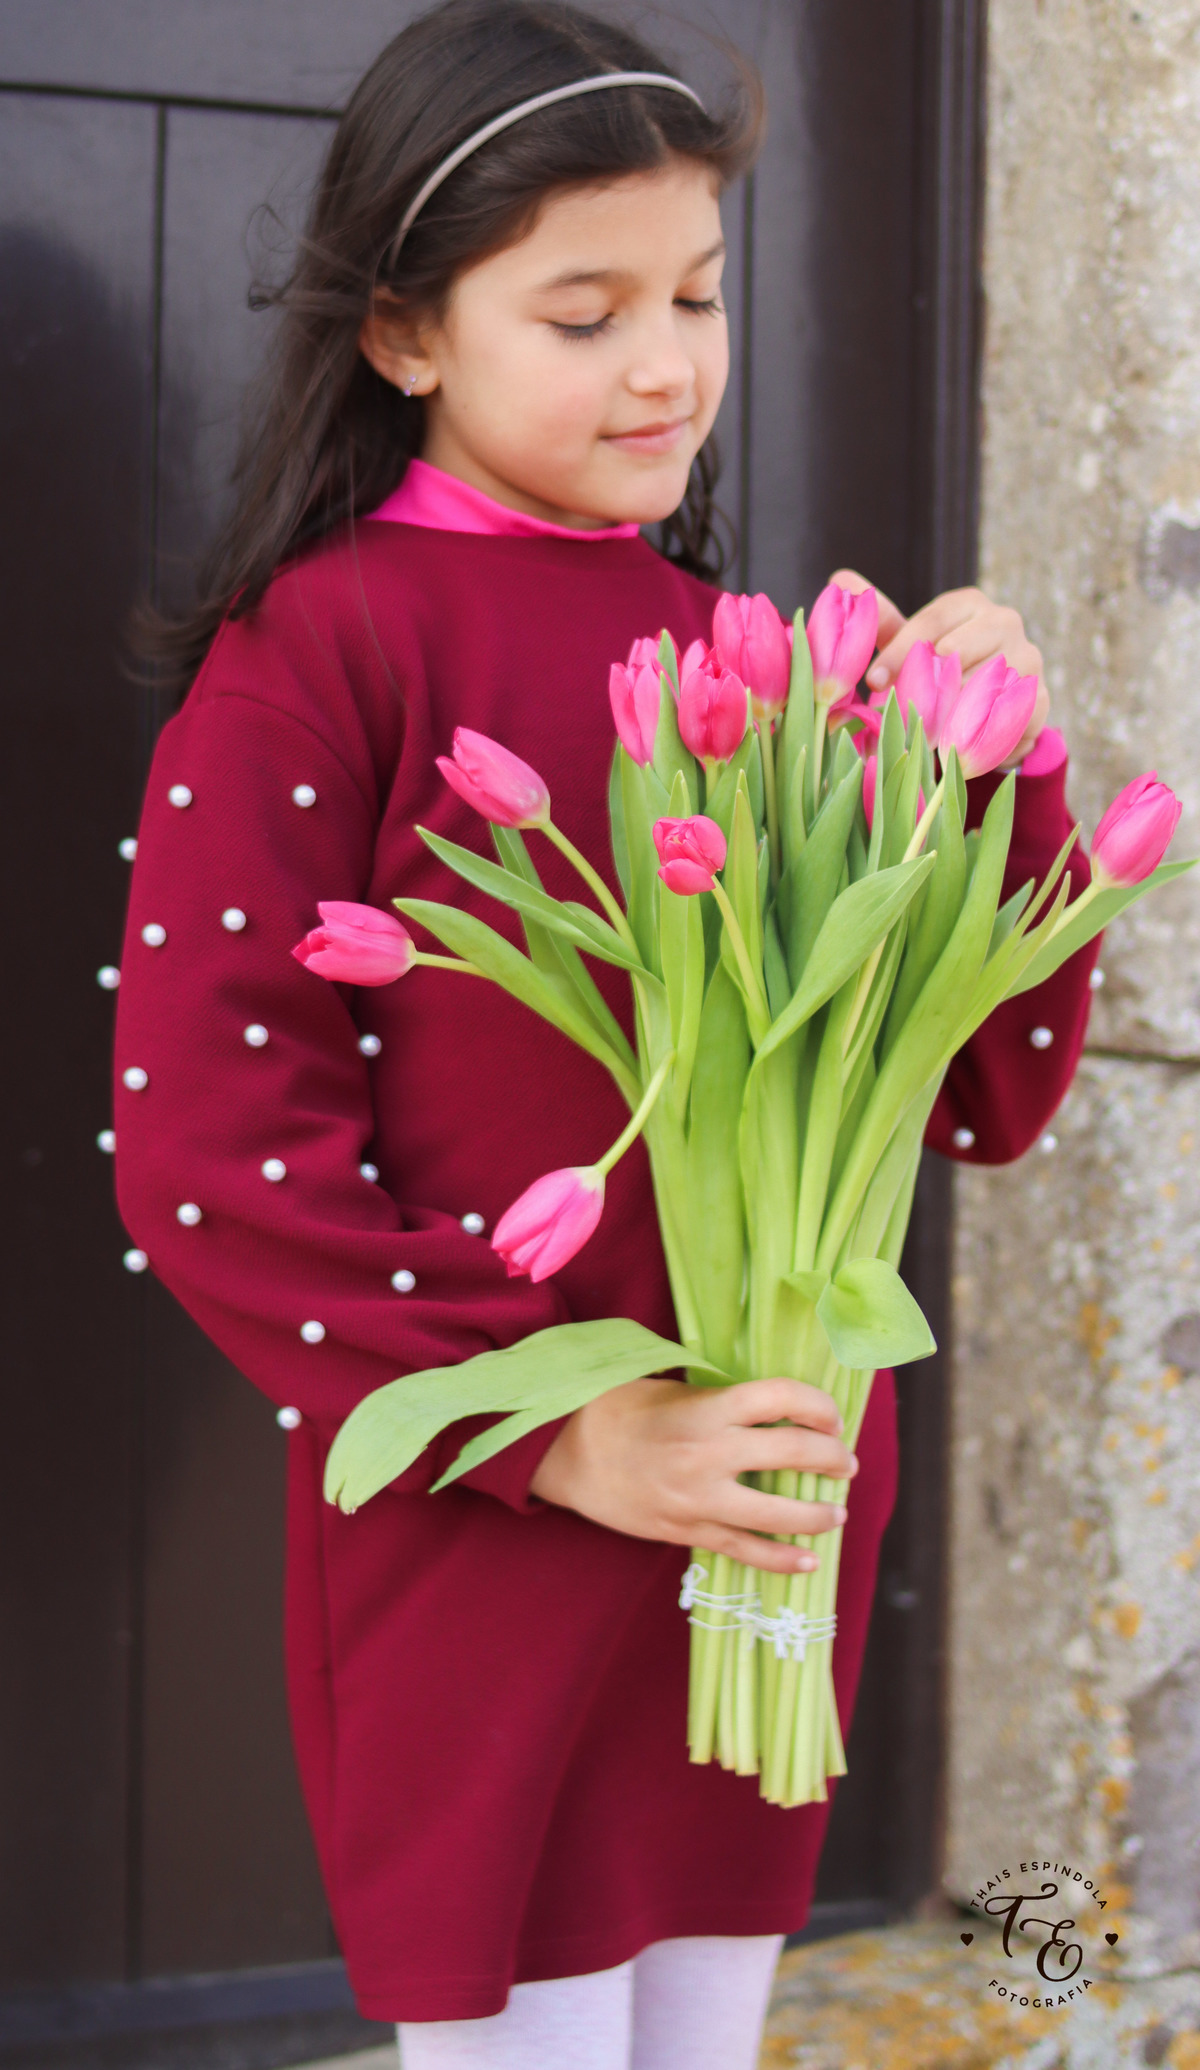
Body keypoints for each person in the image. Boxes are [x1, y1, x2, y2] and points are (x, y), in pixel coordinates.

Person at [113, 4, 1098, 2064]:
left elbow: (985, 1099)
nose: (667, 365)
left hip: (768, 1515)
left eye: (698, 296)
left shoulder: (750, 675)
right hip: (495, 1531)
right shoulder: (322, 657)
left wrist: (990, 778)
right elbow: (211, 1162)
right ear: (404, 333)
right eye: (584, 314)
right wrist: (567, 1436)